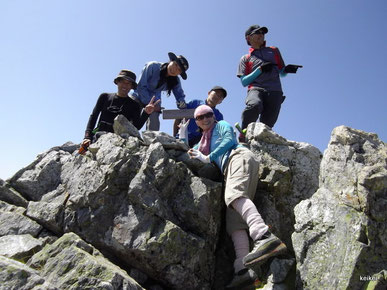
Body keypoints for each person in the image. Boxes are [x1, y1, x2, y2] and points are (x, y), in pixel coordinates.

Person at [182, 105, 287, 289]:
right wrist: (182, 135)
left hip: (238, 157)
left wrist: (209, 157)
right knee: (234, 223)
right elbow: (191, 153)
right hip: (230, 167)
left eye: (208, 115)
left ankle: (263, 235)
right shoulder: (203, 142)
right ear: (196, 122)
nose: (205, 119)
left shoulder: (221, 125)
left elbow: (230, 140)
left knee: (234, 194)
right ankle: (243, 269)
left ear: (213, 116)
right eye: (200, 117)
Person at [237, 25, 298, 142]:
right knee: (254, 105)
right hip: (256, 88)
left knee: (268, 123)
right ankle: (244, 133)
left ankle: (259, 141)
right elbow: (244, 82)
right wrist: (259, 70)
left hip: (275, 90)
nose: (262, 35)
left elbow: (282, 72)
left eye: (263, 33)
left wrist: (287, 70)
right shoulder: (245, 58)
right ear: (249, 37)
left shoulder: (274, 50)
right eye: (258, 32)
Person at [81, 70, 159, 150]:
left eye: (128, 83)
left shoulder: (134, 105)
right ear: (117, 82)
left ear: (132, 87)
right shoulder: (104, 97)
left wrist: (146, 113)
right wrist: (87, 136)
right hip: (97, 139)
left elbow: (136, 127)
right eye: (122, 82)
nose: (125, 85)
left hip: (119, 142)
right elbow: (93, 116)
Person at [132, 52, 189, 131]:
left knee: (154, 121)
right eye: (175, 65)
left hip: (155, 100)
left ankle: (151, 141)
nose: (175, 70)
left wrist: (182, 106)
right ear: (171, 61)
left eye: (179, 70)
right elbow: (140, 86)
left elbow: (180, 97)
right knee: (130, 115)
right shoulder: (152, 66)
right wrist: (150, 103)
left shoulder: (175, 81)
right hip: (138, 95)